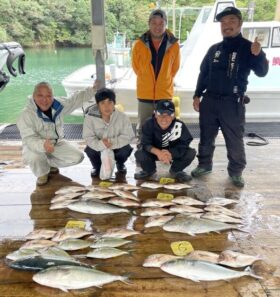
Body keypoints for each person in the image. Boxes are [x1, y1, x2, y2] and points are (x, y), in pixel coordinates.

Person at [191, 7, 269, 187]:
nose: (227, 25)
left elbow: (262, 72)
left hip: (232, 103)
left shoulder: (249, 48)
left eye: (232, 21)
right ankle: (204, 165)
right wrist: (197, 95)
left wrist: (259, 55)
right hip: (209, 100)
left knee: (234, 139)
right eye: (223, 22)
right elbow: (203, 74)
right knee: (206, 136)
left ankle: (235, 172)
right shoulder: (214, 49)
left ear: (240, 24)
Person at [17, 81, 97, 186]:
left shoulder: (58, 105)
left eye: (48, 96)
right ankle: (42, 173)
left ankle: (47, 164)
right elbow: (29, 139)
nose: (45, 100)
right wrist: (43, 145)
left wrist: (93, 89)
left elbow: (75, 99)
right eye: (40, 95)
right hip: (34, 147)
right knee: (35, 158)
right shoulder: (26, 115)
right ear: (33, 96)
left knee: (78, 157)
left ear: (53, 96)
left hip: (56, 143)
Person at [131, 8, 180, 142]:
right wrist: (145, 78)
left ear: (165, 25)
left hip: (164, 93)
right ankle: (142, 154)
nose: (157, 27)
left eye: (161, 24)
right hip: (144, 93)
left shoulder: (174, 45)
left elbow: (174, 69)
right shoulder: (139, 44)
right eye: (154, 23)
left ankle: (164, 154)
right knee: (143, 127)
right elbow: (136, 68)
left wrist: (164, 80)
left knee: (166, 127)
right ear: (149, 24)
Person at [134, 100, 196, 182]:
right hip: (154, 153)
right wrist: (158, 152)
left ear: (173, 116)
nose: (164, 118)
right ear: (155, 114)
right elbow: (145, 143)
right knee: (139, 153)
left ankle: (176, 170)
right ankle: (149, 170)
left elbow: (184, 143)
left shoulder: (180, 125)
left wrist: (171, 153)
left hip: (172, 153)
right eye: (160, 114)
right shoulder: (149, 123)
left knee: (190, 152)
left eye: (169, 114)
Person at [83, 88, 134, 178]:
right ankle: (96, 167)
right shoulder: (89, 118)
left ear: (114, 103)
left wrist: (110, 142)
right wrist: (101, 144)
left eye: (110, 102)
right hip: (99, 147)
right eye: (103, 103)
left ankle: (120, 164)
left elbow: (128, 136)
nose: (107, 106)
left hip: (115, 147)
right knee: (89, 149)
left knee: (126, 149)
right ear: (98, 105)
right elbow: (88, 137)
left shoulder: (123, 117)